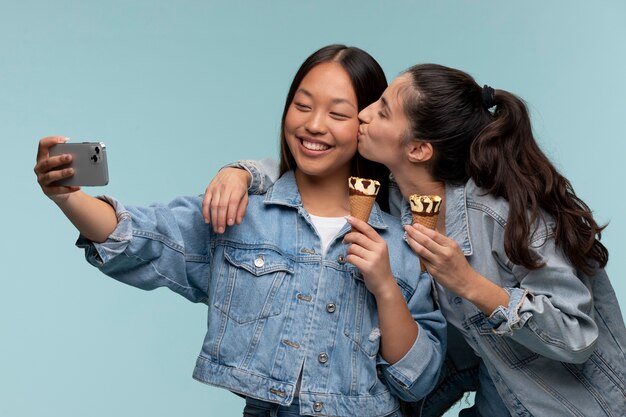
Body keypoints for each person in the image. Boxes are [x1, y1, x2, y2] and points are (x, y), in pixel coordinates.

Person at [34, 45, 446, 417]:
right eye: (302, 106)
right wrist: (66, 197)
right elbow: (139, 238)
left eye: (337, 114)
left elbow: (419, 380)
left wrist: (386, 287)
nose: (314, 125)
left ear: (364, 125)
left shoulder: (403, 240)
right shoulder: (239, 212)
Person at [204, 63, 626, 416]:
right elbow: (312, 178)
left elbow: (576, 335)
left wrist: (468, 283)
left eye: (383, 111)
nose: (363, 114)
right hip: (500, 403)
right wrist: (241, 172)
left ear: (419, 150)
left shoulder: (506, 214)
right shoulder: (391, 203)